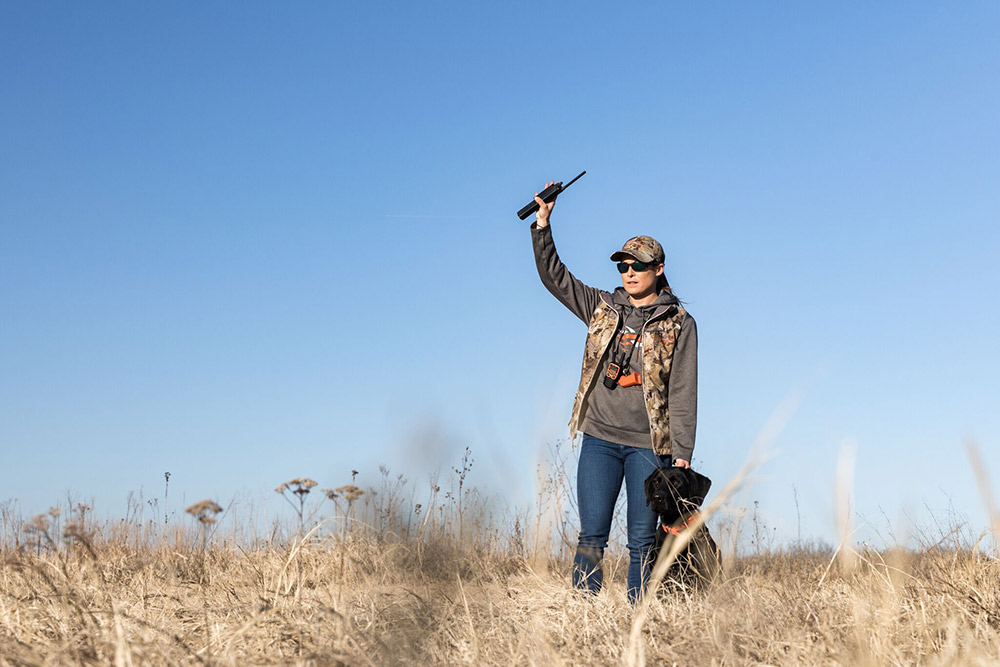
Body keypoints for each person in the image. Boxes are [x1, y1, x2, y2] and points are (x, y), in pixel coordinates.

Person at [529, 184, 698, 602]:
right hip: (600, 440)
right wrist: (543, 224)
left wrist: (683, 452)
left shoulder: (680, 322)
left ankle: (638, 618)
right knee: (592, 535)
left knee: (642, 540)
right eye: (623, 264)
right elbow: (556, 277)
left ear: (658, 267)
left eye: (637, 265)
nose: (628, 272)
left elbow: (683, 388)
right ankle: (584, 617)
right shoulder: (603, 307)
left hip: (648, 447)